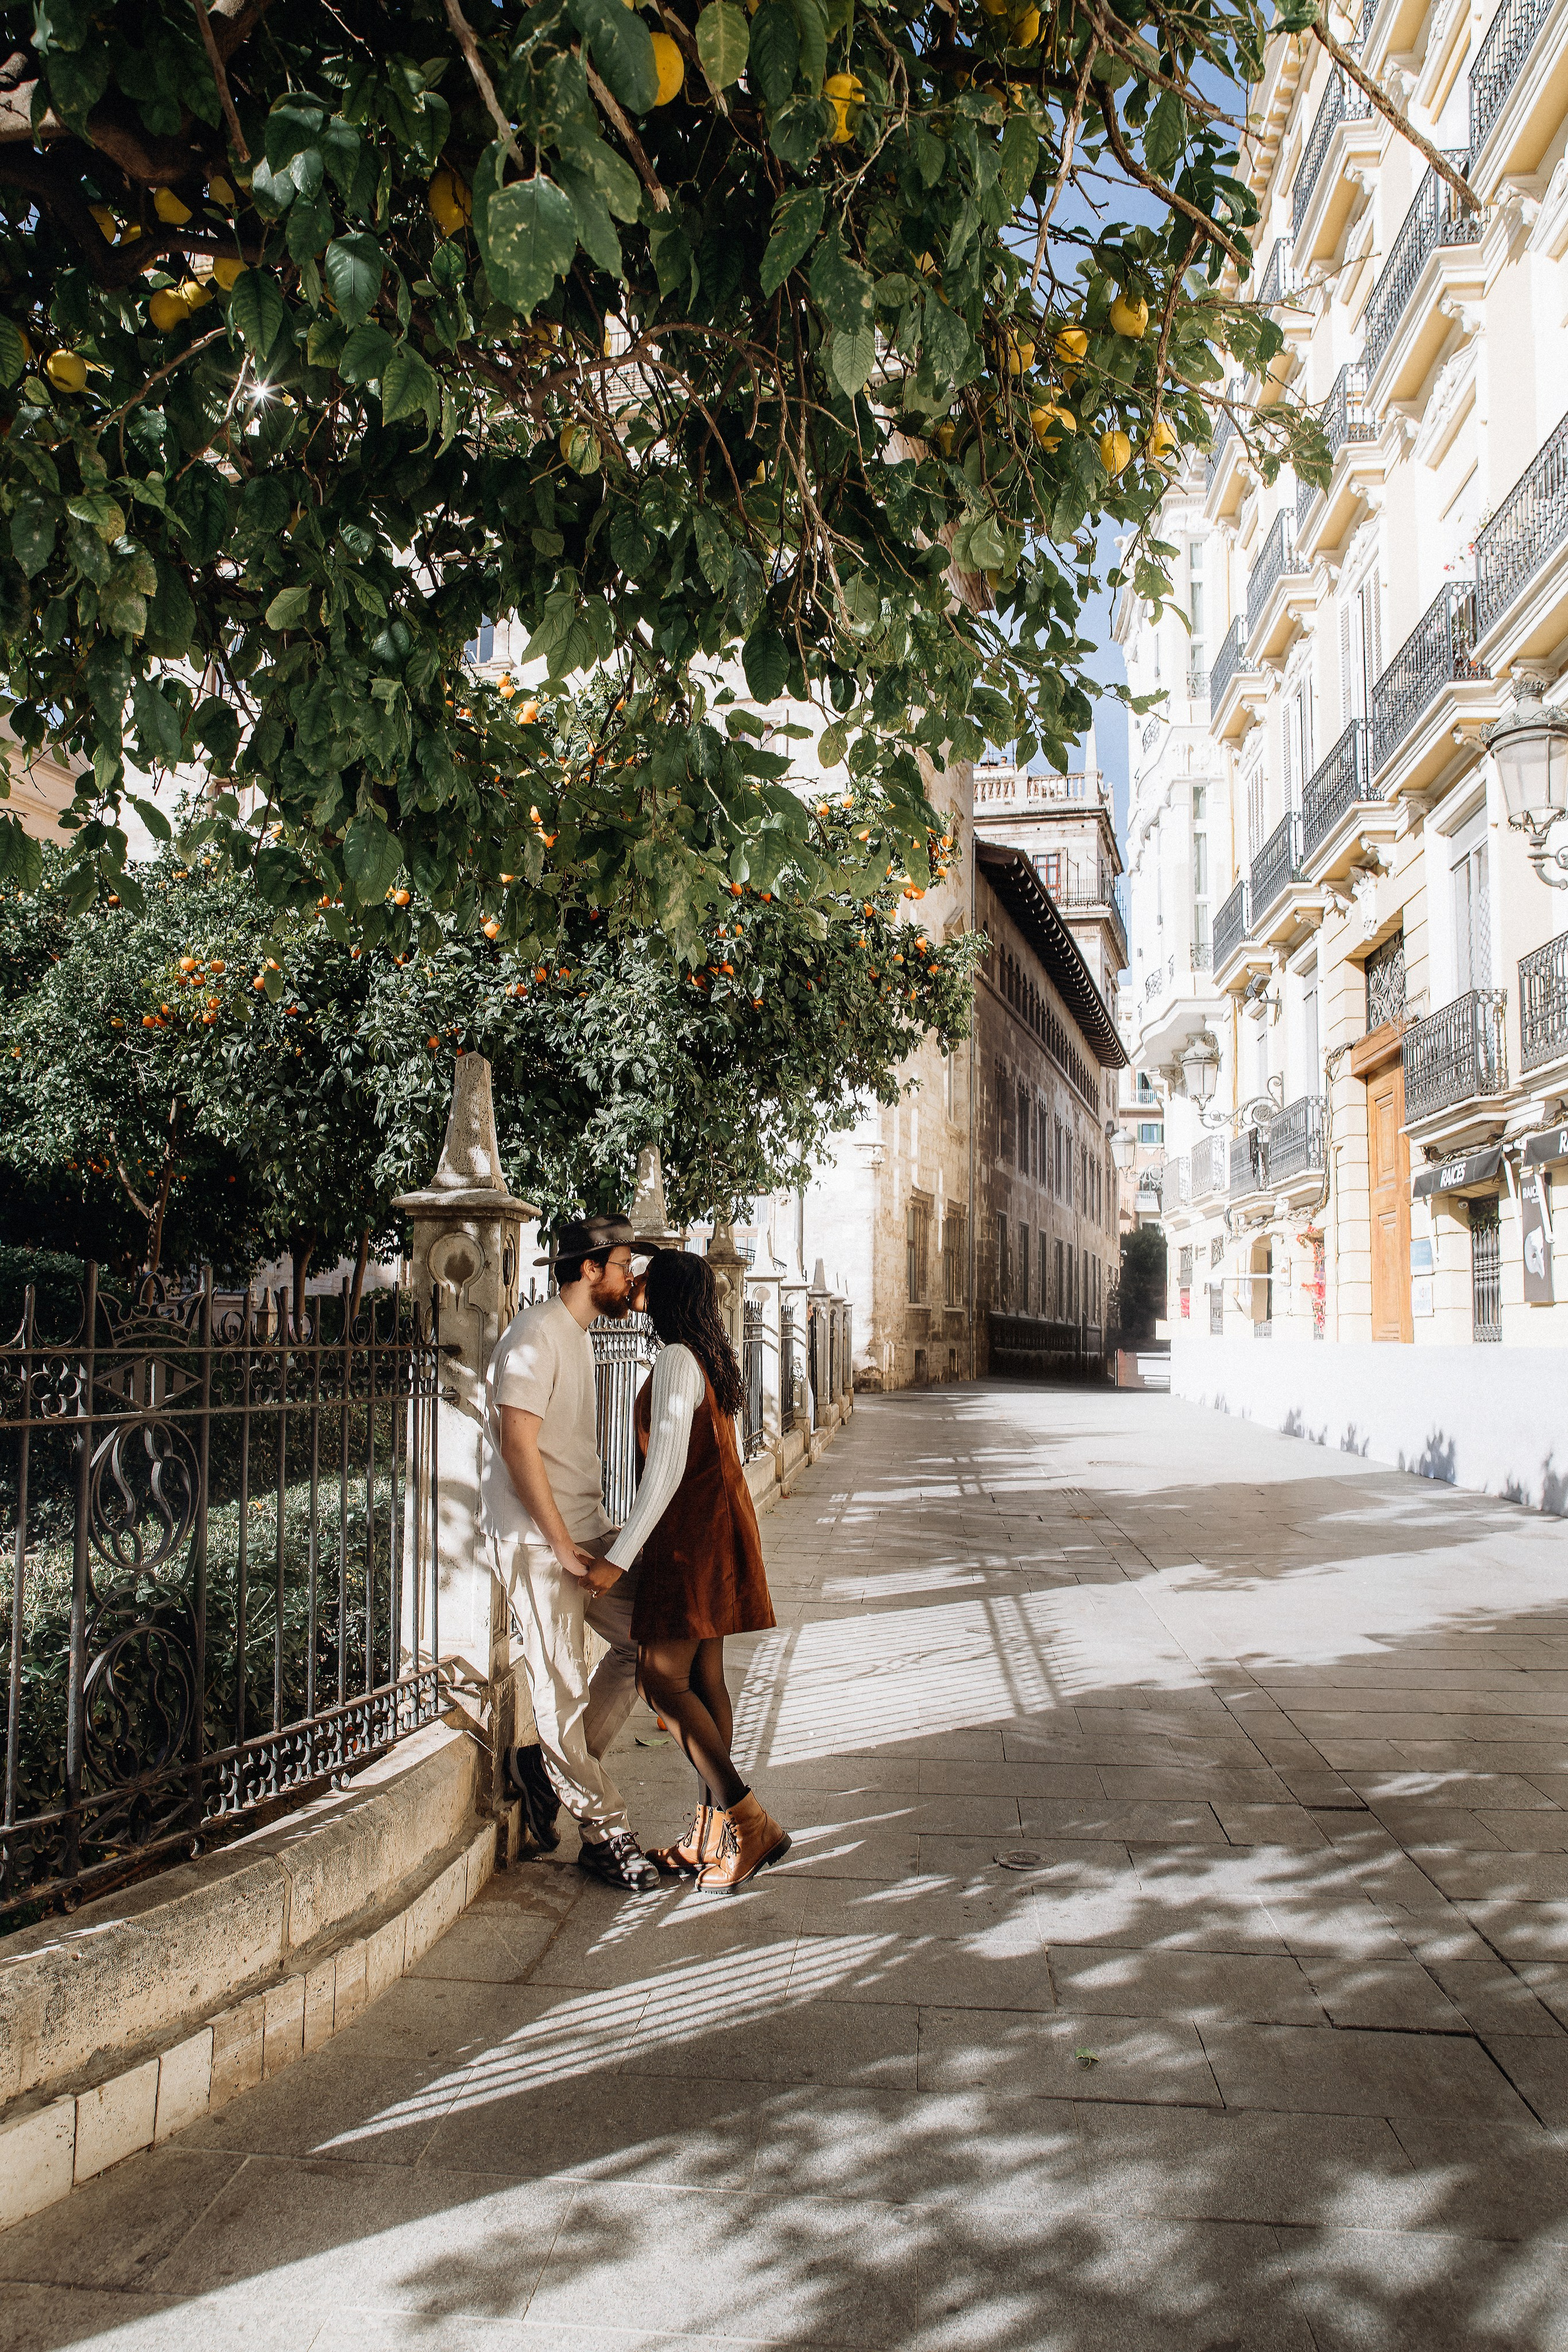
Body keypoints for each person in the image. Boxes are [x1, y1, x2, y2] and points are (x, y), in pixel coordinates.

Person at [582, 1247, 790, 1894]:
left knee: (659, 1679)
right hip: (717, 1533)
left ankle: (748, 1822)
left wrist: (617, 1560)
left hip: (691, 1543)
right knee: (702, 1679)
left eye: (648, 1275)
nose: (635, 1281)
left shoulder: (675, 1359)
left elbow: (666, 1469)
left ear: (667, 1293)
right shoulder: (704, 1356)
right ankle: (709, 1836)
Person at [481, 1212, 660, 1891]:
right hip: (537, 1541)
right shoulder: (533, 1335)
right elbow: (517, 1445)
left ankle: (547, 1766)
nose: (631, 1278)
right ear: (590, 1270)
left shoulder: (578, 1336)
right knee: (557, 1684)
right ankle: (604, 1828)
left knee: (648, 1639)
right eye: (622, 1266)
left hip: (584, 1531)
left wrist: (594, 1535)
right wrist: (560, 1543)